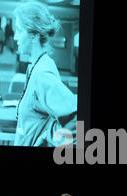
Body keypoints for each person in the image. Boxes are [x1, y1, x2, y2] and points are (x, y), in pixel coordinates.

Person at [13, 1, 77, 146]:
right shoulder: (35, 66)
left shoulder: (42, 74)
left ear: (34, 35)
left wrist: (48, 139)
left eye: (19, 30)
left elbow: (77, 121)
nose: (15, 36)